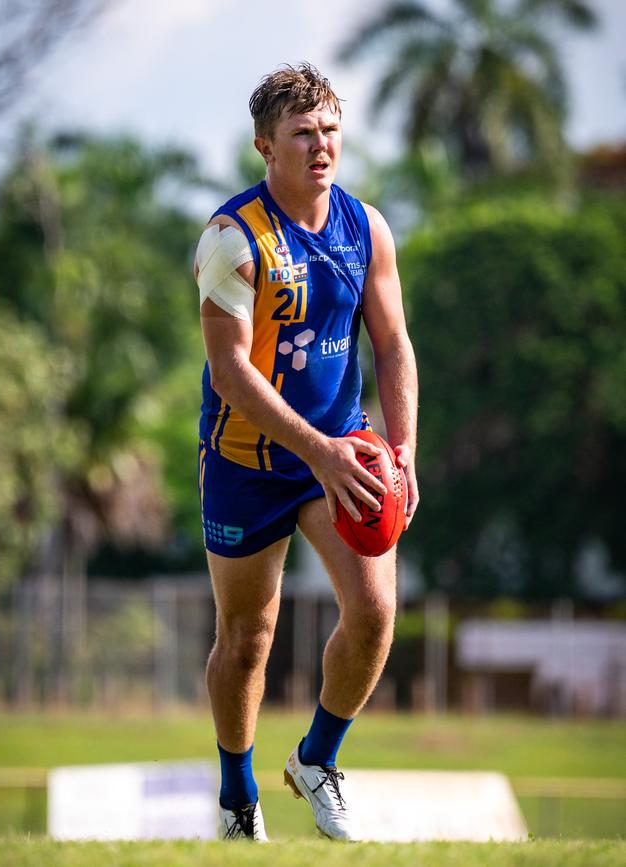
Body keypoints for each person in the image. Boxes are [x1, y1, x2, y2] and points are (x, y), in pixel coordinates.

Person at [193, 62, 419, 842]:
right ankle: (236, 799)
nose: (322, 145)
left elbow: (391, 344)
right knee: (248, 636)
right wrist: (318, 449)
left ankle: (316, 761)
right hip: (245, 462)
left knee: (376, 609)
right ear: (265, 145)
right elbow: (230, 372)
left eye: (330, 129)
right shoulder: (232, 240)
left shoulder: (368, 227)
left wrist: (402, 447)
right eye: (302, 133)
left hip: (340, 451)